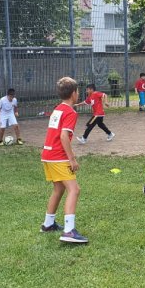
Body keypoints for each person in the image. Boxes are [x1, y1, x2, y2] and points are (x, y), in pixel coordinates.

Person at [40, 77, 88, 243]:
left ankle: (48, 224)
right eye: (78, 91)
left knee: (59, 189)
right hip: (58, 157)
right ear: (74, 93)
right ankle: (69, 231)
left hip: (47, 155)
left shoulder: (57, 109)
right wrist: (72, 159)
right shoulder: (70, 112)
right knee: (74, 189)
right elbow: (63, 137)